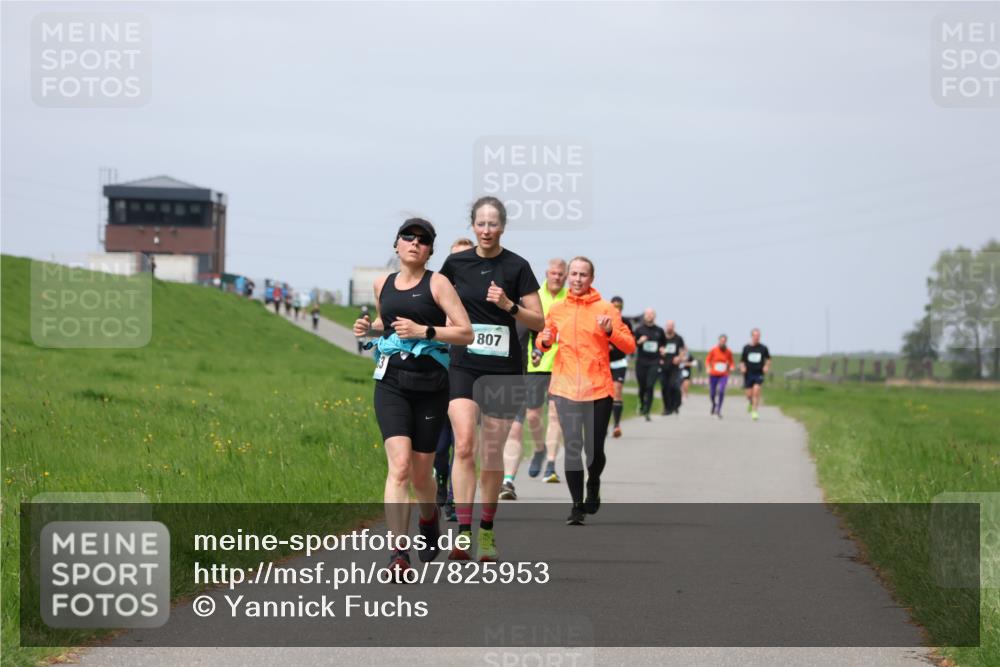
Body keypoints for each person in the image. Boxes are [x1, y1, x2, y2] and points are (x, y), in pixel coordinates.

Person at [352, 218, 473, 577]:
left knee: (422, 476)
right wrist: (369, 328)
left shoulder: (438, 284)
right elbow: (386, 322)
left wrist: (426, 330)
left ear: (430, 250)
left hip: (431, 385)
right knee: (400, 467)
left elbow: (465, 332)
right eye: (409, 237)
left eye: (423, 240)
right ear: (397, 245)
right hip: (390, 382)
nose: (415, 243)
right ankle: (398, 554)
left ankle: (429, 515)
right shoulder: (382, 283)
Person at [439, 196, 544, 561]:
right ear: (472, 226)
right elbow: (434, 302)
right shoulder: (455, 264)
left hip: (503, 368)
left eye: (493, 224)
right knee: (465, 443)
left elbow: (538, 321)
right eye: (480, 224)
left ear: (503, 226)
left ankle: (486, 530)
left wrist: (508, 306)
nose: (486, 230)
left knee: (491, 451)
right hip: (465, 364)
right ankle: (463, 532)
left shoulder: (517, 267)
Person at [537, 257, 635, 525]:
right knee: (572, 448)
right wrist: (543, 342)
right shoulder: (557, 309)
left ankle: (594, 482)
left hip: (598, 388)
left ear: (592, 279)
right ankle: (576, 506)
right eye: (574, 274)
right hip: (565, 387)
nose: (578, 279)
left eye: (583, 275)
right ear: (568, 277)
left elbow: (629, 345)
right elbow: (544, 338)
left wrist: (611, 330)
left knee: (594, 450)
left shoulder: (605, 309)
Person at [501, 258, 568, 499]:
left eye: (561, 274)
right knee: (532, 416)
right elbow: (532, 330)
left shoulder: (570, 300)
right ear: (547, 274)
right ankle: (539, 449)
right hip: (534, 368)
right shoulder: (533, 296)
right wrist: (538, 351)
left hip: (563, 368)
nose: (557, 277)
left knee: (555, 415)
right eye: (553, 273)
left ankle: (550, 464)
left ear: (566, 275)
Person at [434, 237, 475, 522]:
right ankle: (439, 482)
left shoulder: (479, 299)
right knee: (439, 446)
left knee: (461, 442)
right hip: (437, 376)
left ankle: (452, 497)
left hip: (466, 376)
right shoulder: (435, 294)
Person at [632, 309, 666, 421]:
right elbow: (632, 345)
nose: (649, 316)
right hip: (641, 363)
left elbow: (663, 344)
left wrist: (662, 350)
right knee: (642, 387)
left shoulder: (659, 331)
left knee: (650, 386)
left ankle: (647, 411)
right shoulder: (639, 330)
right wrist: (639, 342)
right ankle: (642, 403)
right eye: (647, 314)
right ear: (644, 317)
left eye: (651, 314)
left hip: (654, 363)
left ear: (654, 316)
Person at [608, 296, 632, 437]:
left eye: (619, 306)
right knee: (604, 396)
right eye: (614, 306)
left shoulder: (626, 322)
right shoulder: (604, 320)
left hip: (619, 362)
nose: (617, 308)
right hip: (604, 362)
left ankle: (616, 425)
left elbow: (630, 341)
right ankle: (603, 424)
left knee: (617, 391)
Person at [740, 328, 771, 421]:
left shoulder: (763, 348)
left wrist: (766, 366)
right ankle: (750, 402)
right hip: (748, 373)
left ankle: (754, 411)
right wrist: (742, 367)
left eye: (758, 336)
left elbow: (769, 359)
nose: (757, 337)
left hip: (758, 373)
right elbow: (742, 361)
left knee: (756, 391)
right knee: (749, 395)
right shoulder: (746, 348)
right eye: (755, 336)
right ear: (752, 336)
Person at [659, 321, 687, 415]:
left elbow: (683, 351)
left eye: (671, 326)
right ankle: (667, 407)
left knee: (673, 387)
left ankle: (676, 404)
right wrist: (660, 354)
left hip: (674, 367)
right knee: (664, 388)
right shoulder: (661, 338)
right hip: (663, 366)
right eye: (668, 326)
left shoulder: (678, 338)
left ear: (673, 327)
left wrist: (679, 357)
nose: (669, 328)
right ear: (665, 327)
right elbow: (658, 348)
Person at [705, 335, 735, 418]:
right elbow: (708, 360)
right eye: (721, 341)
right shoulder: (713, 350)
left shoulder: (728, 351)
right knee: (712, 393)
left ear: (726, 342)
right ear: (719, 341)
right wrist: (707, 367)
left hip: (724, 374)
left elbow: (732, 362)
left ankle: (719, 409)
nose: (723, 342)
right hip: (714, 374)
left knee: (721, 391)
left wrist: (732, 367)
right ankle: (714, 404)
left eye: (724, 341)